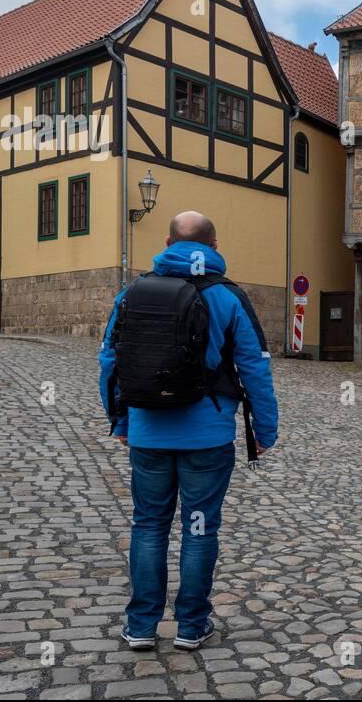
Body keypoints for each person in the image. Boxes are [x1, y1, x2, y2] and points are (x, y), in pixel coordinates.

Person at [98, 211, 278, 652]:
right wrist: (264, 430)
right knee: (199, 529)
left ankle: (141, 626)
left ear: (166, 242)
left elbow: (110, 363)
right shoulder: (229, 298)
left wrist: (119, 420)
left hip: (147, 435)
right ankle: (190, 625)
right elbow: (254, 367)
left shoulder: (132, 293)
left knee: (149, 525)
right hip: (208, 437)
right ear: (213, 247)